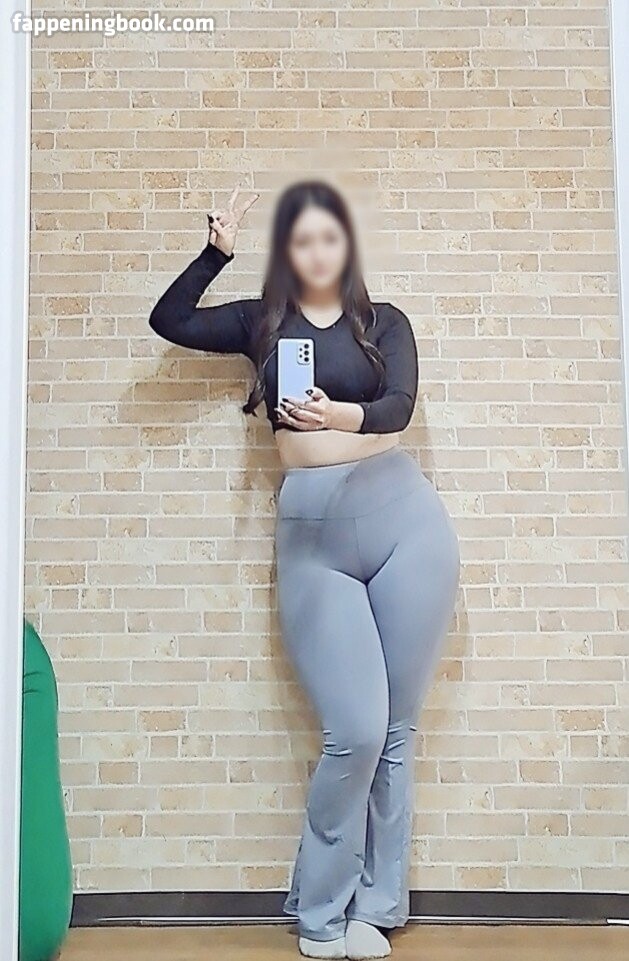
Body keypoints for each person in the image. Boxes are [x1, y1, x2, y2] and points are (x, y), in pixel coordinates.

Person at [149, 181, 460, 960]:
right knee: (354, 729)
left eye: (329, 238)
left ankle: (376, 908)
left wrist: (338, 416)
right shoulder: (264, 322)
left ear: (345, 246)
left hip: (405, 522)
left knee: (395, 730)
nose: (316, 252)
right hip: (314, 533)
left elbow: (398, 407)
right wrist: (213, 254)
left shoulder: (384, 323)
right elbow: (170, 320)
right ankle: (321, 911)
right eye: (301, 240)